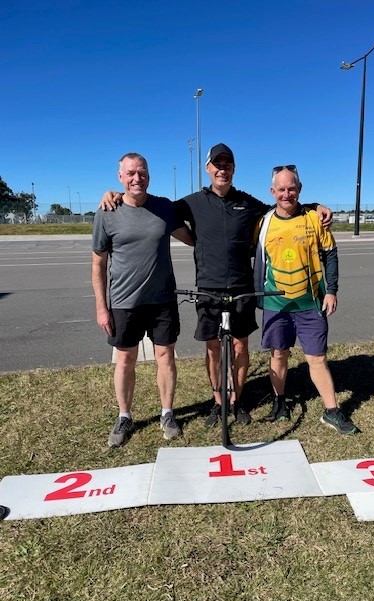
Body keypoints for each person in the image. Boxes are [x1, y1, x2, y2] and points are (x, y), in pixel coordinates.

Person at [100, 143, 332, 429]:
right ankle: (218, 401)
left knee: (239, 347)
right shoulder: (191, 203)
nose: (222, 170)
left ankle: (237, 402)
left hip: (241, 287)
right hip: (208, 289)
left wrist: (314, 206)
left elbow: (284, 207)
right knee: (212, 349)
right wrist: (114, 195)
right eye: (217, 165)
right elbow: (148, 204)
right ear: (208, 169)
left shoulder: (248, 203)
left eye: (228, 165)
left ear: (233, 170)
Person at [92, 152, 193, 447]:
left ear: (149, 175)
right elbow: (98, 263)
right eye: (131, 173)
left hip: (162, 300)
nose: (138, 178)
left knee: (166, 357)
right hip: (124, 302)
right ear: (121, 177)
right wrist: (102, 307)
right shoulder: (106, 212)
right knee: (125, 360)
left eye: (143, 172)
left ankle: (167, 413)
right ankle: (124, 416)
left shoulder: (163, 208)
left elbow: (192, 237)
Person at [253, 165, 358, 435]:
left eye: (292, 188)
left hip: (310, 302)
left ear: (299, 189)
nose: (286, 194)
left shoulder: (314, 218)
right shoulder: (263, 223)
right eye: (281, 189)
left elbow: (330, 253)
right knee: (279, 354)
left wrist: (331, 290)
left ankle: (332, 411)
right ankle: (279, 402)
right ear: (272, 191)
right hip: (276, 303)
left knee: (317, 358)